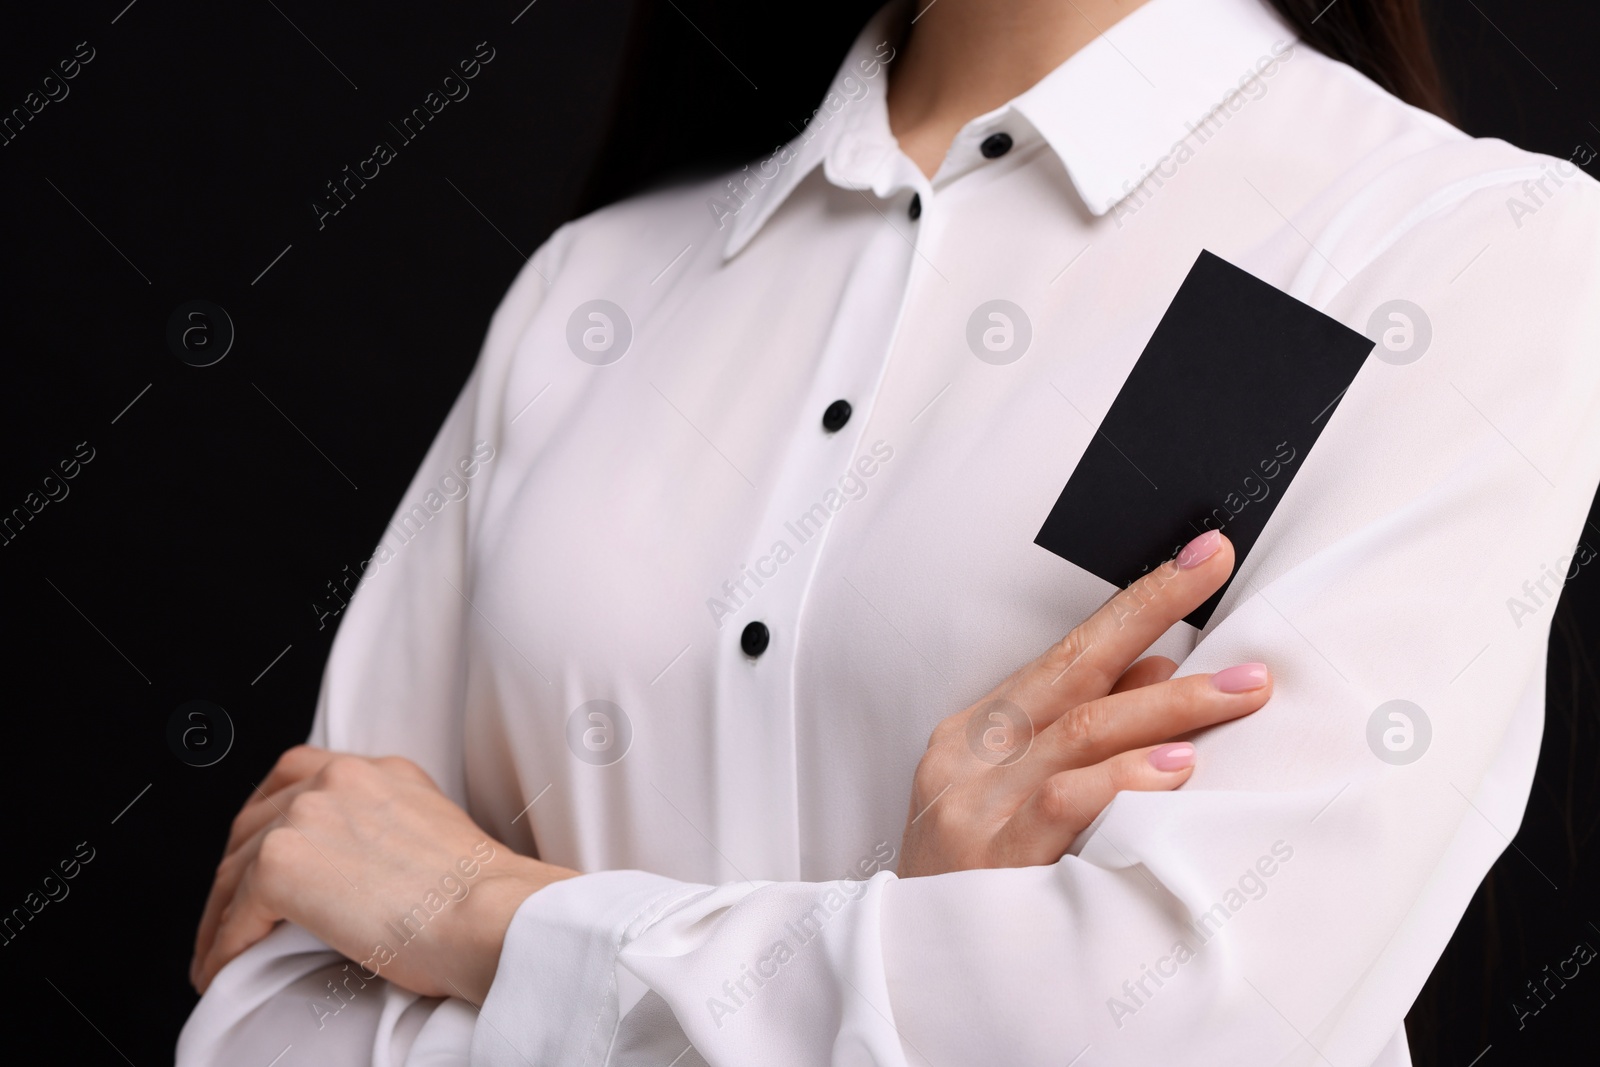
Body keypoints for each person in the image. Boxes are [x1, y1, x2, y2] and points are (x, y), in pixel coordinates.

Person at [176, 0, 1600, 1063]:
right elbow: (271, 1018)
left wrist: (490, 918)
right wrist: (903, 975)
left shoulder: (1457, 254)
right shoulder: (590, 291)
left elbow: (1185, 1023)